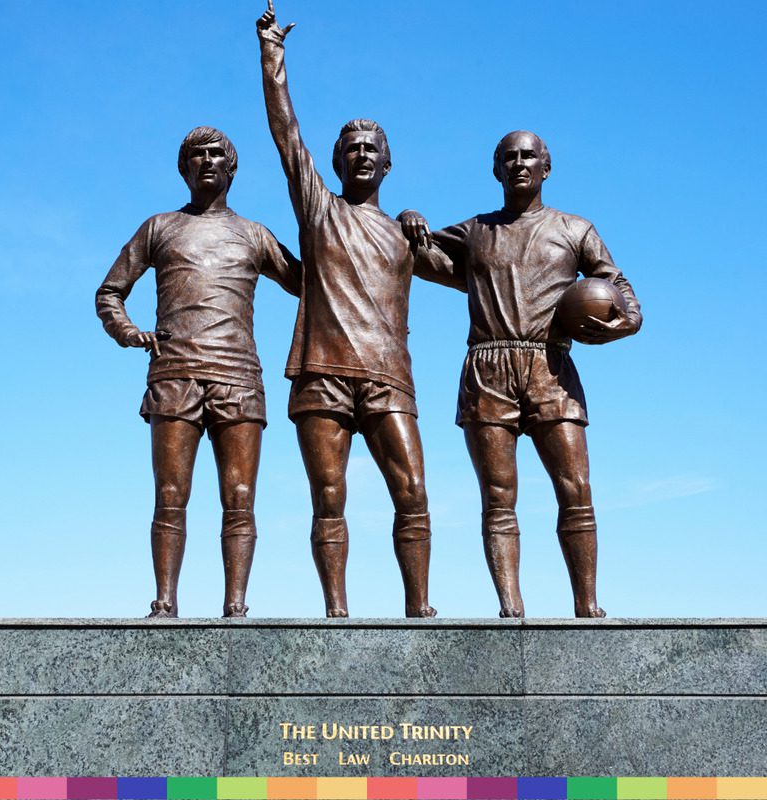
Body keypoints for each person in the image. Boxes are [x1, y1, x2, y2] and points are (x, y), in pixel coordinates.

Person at [400, 130, 642, 618]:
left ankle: (587, 605)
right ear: (496, 170)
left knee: (576, 488)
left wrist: (623, 322)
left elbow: (622, 292)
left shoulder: (575, 229)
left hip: (549, 364)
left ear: (546, 168)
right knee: (498, 496)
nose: (518, 163)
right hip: (488, 366)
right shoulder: (476, 231)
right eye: (508, 157)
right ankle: (512, 609)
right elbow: (422, 257)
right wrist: (407, 220)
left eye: (528, 156)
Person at [256, 1, 436, 618]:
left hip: (389, 375)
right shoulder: (318, 208)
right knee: (328, 496)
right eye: (351, 148)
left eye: (372, 148)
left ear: (388, 163)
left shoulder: (408, 236)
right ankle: (337, 611)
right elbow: (286, 131)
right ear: (335, 163)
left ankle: (419, 609)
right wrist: (272, 54)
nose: (361, 154)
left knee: (412, 492)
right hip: (323, 373)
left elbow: (488, 276)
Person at [96, 126, 301, 618]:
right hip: (174, 375)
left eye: (216, 154)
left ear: (232, 166)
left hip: (238, 377)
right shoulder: (159, 227)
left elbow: (310, 283)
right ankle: (165, 601)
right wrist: (129, 332)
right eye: (196, 155)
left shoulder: (255, 234)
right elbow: (110, 292)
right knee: (170, 494)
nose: (207, 161)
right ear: (183, 168)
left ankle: (235, 604)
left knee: (241, 496)